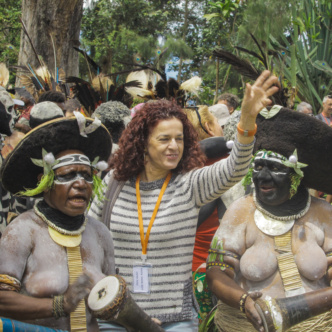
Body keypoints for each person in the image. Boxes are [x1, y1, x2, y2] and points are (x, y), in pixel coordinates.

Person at [88, 71, 279, 331]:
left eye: (179, 139)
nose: (174, 146)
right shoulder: (112, 183)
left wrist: (246, 120)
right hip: (116, 315)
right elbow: (89, 240)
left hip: (174, 319)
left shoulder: (190, 184)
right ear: (143, 143)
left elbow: (236, 167)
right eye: (164, 139)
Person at [0, 115, 162, 331]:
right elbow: (2, 299)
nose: (80, 184)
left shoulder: (99, 233)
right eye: (68, 176)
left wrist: (143, 323)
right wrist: (60, 305)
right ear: (45, 183)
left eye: (87, 176)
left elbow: (109, 301)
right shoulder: (22, 230)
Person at [206, 106, 332, 332]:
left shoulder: (323, 213)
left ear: (296, 176)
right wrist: (244, 301)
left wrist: (312, 303)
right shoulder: (241, 211)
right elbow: (216, 272)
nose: (263, 176)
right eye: (258, 167)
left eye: (275, 168)